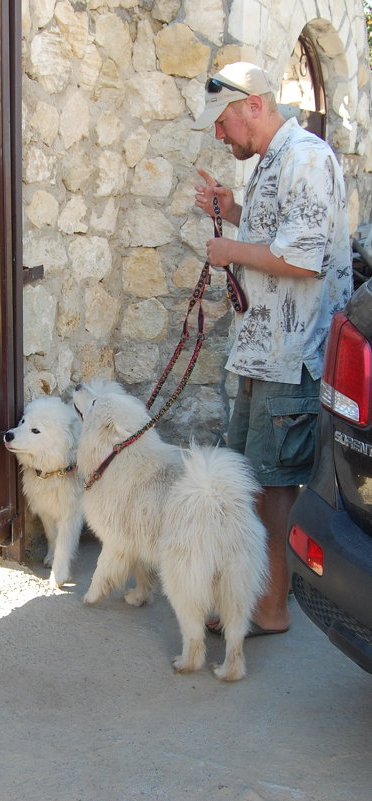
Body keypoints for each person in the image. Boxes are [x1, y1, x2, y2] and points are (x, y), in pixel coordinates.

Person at [192, 61, 353, 636]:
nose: (220, 134)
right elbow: (280, 236)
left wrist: (229, 250)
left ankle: (271, 607)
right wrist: (232, 211)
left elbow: (303, 260)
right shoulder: (275, 161)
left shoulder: (306, 158)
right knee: (251, 479)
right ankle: (252, 596)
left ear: (255, 105)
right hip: (264, 350)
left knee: (274, 485)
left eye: (224, 120)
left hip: (293, 353)